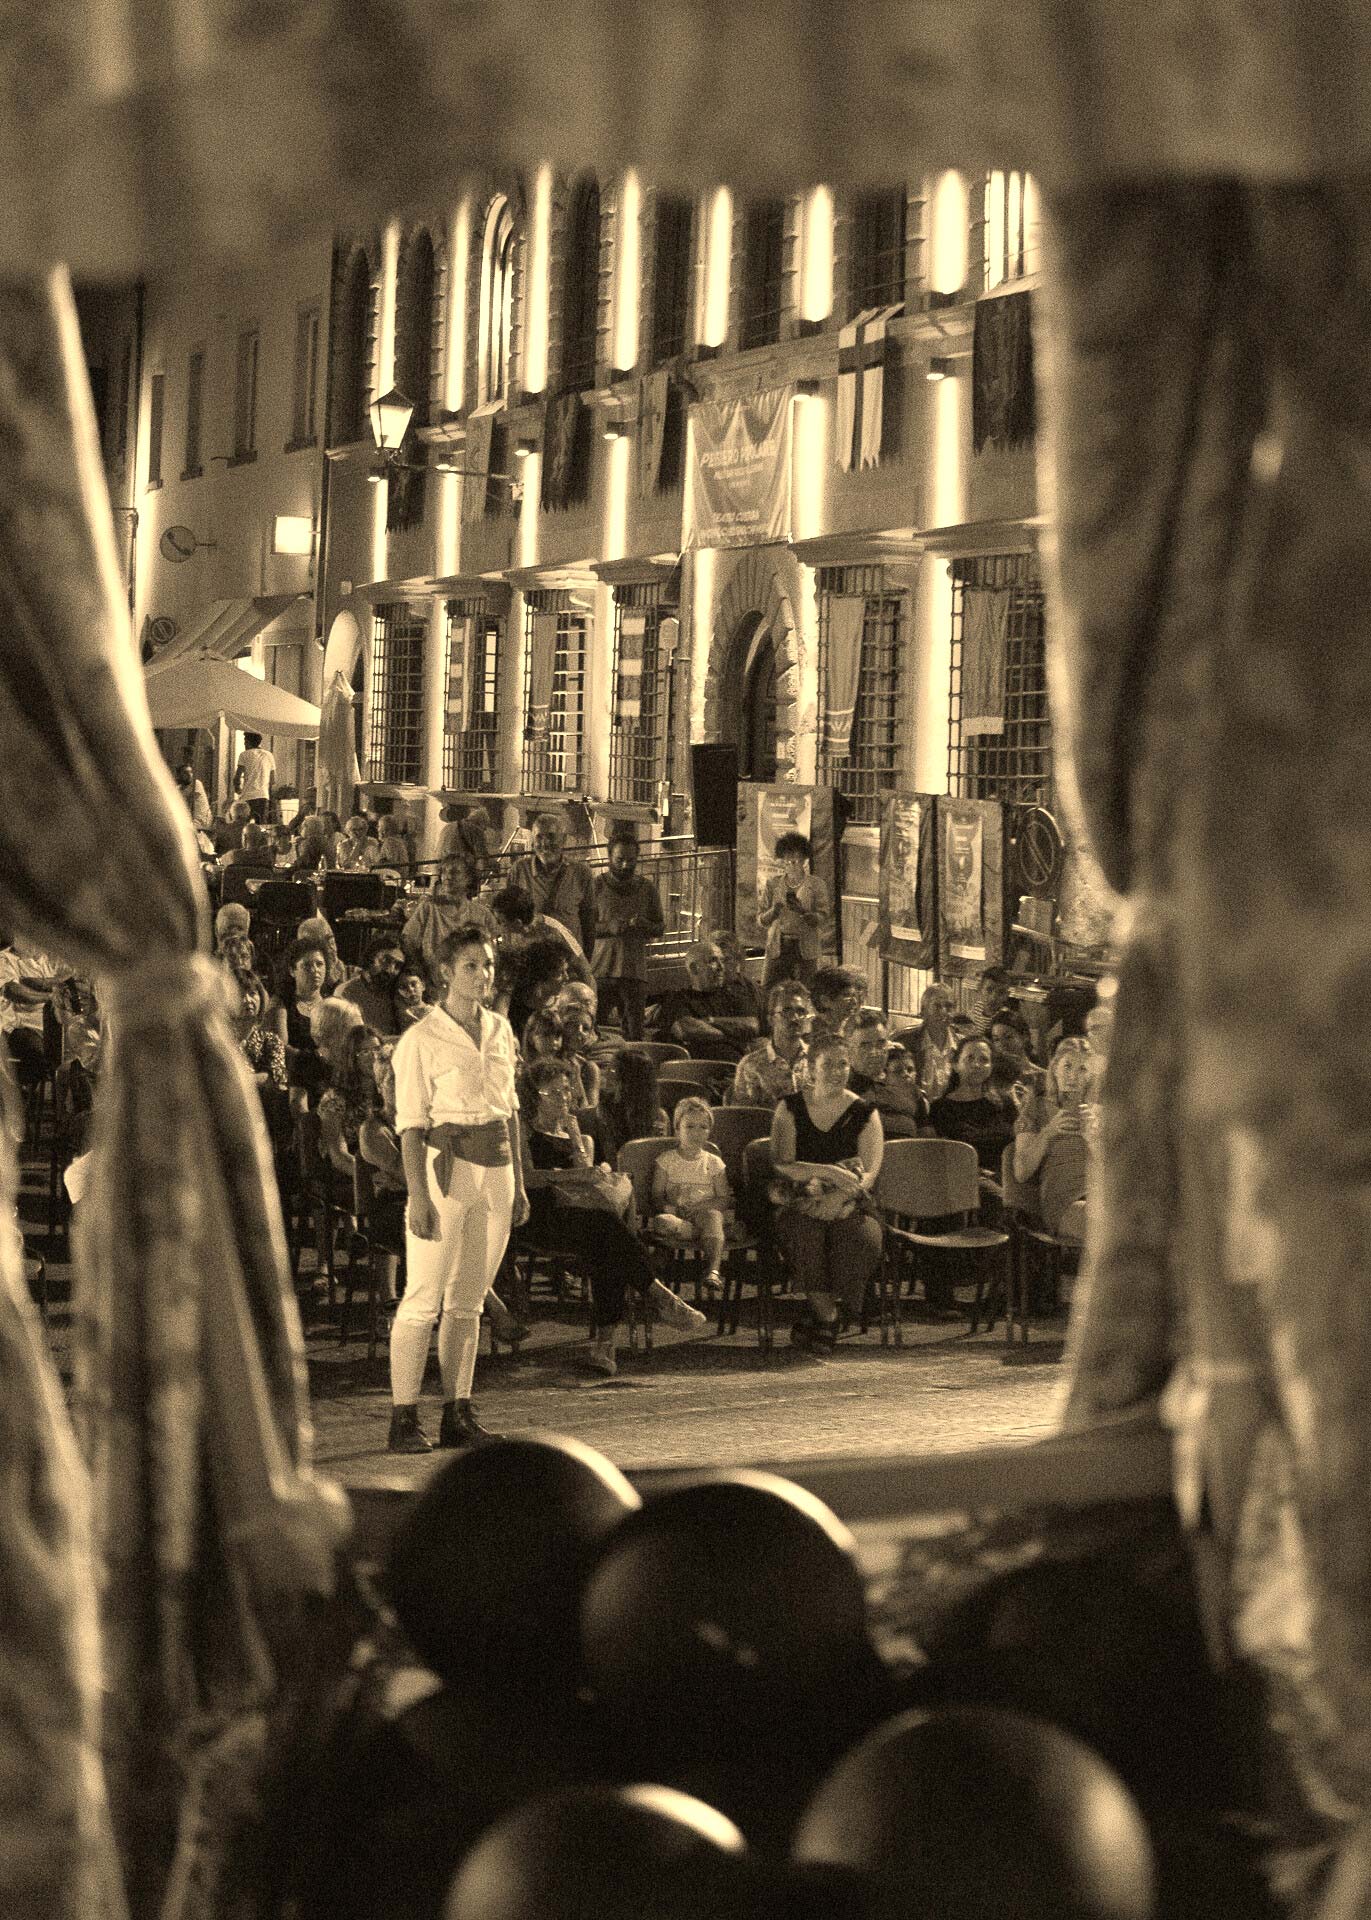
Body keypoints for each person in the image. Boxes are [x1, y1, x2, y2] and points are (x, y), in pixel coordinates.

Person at [387, 924, 528, 1454]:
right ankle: (403, 1417)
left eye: (487, 964)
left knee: (467, 1300)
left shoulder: (500, 1029)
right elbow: (410, 1125)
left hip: (497, 1170)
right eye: (471, 965)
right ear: (445, 972)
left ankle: (458, 1411)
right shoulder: (421, 1039)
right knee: (424, 1296)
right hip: (445, 1168)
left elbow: (510, 1110)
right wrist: (418, 1195)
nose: (482, 974)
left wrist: (519, 1183)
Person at [520, 1057, 705, 1377]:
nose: (564, 1098)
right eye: (554, 1093)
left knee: (606, 1243)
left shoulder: (578, 1133)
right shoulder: (523, 1129)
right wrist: (570, 1174)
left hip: (580, 1216)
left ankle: (606, 1347)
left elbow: (586, 1184)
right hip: (538, 1215)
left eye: (567, 1090)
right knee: (608, 1233)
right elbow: (526, 1178)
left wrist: (577, 1144)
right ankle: (655, 1299)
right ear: (534, 1096)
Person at [768, 1035, 885, 1352]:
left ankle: (824, 1314)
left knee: (861, 1237)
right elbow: (782, 1165)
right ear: (811, 1068)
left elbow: (869, 1173)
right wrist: (830, 1172)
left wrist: (838, 1198)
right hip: (801, 1198)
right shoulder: (789, 1108)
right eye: (828, 1064)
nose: (836, 1071)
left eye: (843, 1064)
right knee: (804, 1233)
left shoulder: (865, 1112)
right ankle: (828, 1317)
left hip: (851, 1201)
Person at [1012, 1036, 1096, 1244]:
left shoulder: (1098, 1112)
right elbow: (1021, 1172)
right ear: (1055, 1068)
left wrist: (1094, 1138)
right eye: (1067, 1066)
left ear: (1090, 1076)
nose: (1073, 1076)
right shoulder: (1036, 1108)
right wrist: (1049, 1131)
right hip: (1065, 1200)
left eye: (1082, 1069)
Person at [649, 1095, 732, 1294]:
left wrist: (701, 1207)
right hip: (679, 1217)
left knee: (713, 1216)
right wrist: (672, 1208)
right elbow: (656, 1196)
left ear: (709, 1131)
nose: (696, 1133)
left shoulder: (713, 1163)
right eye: (690, 1127)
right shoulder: (666, 1161)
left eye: (703, 1127)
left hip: (704, 1214)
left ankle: (713, 1270)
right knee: (661, 1222)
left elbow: (723, 1199)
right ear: (677, 1129)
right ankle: (717, 1235)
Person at [588, 831, 664, 1040]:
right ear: (609, 856)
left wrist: (644, 924)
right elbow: (584, 926)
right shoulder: (596, 886)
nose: (625, 865)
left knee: (634, 1033)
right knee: (593, 1030)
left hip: (634, 972)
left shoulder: (647, 889)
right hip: (601, 970)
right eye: (620, 859)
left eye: (631, 860)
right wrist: (608, 927)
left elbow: (659, 927)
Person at [653, 940, 760, 1061]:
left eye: (722, 960)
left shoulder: (733, 995)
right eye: (713, 960)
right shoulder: (678, 998)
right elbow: (687, 1029)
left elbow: (752, 1026)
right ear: (694, 968)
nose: (721, 967)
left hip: (737, 1064)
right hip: (700, 1066)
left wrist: (710, 1021)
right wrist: (733, 1036)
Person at [509, 810, 596, 952]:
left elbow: (588, 921)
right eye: (539, 837)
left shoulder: (581, 873)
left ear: (563, 840)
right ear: (533, 842)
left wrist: (585, 959)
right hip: (530, 955)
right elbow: (509, 918)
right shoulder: (519, 870)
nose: (545, 843)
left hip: (568, 957)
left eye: (551, 836)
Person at [928, 1033, 1017, 1173]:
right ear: (955, 1065)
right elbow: (942, 1158)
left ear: (991, 1067)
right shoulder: (940, 1108)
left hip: (1007, 1177)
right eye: (970, 1058)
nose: (977, 1065)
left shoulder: (1004, 1102)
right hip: (966, 1179)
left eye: (984, 1060)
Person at [758, 831, 828, 991]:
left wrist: (803, 911)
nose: (790, 865)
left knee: (808, 990)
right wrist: (774, 911)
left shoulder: (817, 885)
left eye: (795, 861)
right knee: (769, 989)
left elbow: (823, 918)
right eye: (786, 861)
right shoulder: (773, 884)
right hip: (777, 946)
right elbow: (761, 920)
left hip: (806, 948)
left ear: (804, 860)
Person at [402, 856, 482, 990]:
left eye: (455, 872)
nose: (447, 877)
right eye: (444, 872)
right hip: (432, 982)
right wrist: (422, 971)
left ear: (468, 878)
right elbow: (408, 940)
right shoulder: (428, 908)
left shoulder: (480, 914)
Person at [846, 1010, 929, 1139]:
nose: (875, 1052)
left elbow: (928, 1141)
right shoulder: (840, 1090)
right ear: (849, 1049)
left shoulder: (909, 1089)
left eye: (880, 1043)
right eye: (865, 1046)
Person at [729, 981, 813, 1107]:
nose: (795, 1018)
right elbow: (744, 1115)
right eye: (787, 1011)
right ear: (771, 1019)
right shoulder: (751, 1066)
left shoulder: (818, 1059)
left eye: (801, 1011)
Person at [597, 1046, 669, 1160]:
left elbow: (663, 1160)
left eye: (613, 1070)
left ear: (630, 1079)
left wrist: (657, 1143)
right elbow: (611, 1157)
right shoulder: (605, 1109)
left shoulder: (658, 1116)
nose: (607, 1074)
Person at [339, 937, 405, 1037]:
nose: (391, 970)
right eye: (386, 960)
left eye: (397, 966)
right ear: (371, 957)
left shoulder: (395, 996)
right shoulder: (346, 991)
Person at [910, 981, 957, 1103]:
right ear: (923, 1011)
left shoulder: (962, 1046)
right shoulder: (907, 1042)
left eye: (949, 1006)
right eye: (937, 1006)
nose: (944, 1011)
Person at [808, 965, 867, 1047]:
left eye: (854, 995)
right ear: (825, 1001)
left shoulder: (856, 1032)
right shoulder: (810, 1037)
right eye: (846, 995)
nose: (854, 1002)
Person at [234, 730, 275, 822]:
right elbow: (273, 780)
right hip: (263, 796)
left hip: (247, 797)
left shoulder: (244, 755)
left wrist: (238, 789)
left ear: (248, 742)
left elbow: (237, 777)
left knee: (244, 824)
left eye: (245, 741)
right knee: (261, 825)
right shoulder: (269, 755)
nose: (244, 744)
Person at [174, 762, 211, 829]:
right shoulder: (179, 788)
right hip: (191, 822)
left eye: (191, 772)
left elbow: (186, 803)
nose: (189, 775)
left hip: (200, 822)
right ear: (179, 775)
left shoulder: (196, 784)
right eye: (185, 773)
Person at [394, 966, 428, 1031]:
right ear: (399, 992)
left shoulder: (433, 1012)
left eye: (413, 984)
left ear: (423, 986)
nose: (410, 989)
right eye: (404, 987)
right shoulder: (400, 1016)